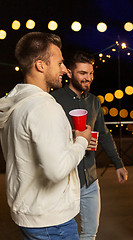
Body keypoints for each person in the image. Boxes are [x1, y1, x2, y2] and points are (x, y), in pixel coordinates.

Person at [0, 32, 91, 239]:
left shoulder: (17, 104)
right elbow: (56, 170)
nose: (64, 70)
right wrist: (81, 141)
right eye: (59, 63)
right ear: (40, 65)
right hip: (51, 221)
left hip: (30, 213)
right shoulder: (44, 107)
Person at [51, 51, 128, 240]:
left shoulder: (94, 101)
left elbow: (104, 134)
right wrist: (77, 139)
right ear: (69, 73)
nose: (88, 78)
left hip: (90, 180)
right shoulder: (54, 100)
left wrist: (118, 163)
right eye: (83, 73)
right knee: (61, 234)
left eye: (91, 73)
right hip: (64, 181)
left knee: (90, 233)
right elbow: (48, 138)